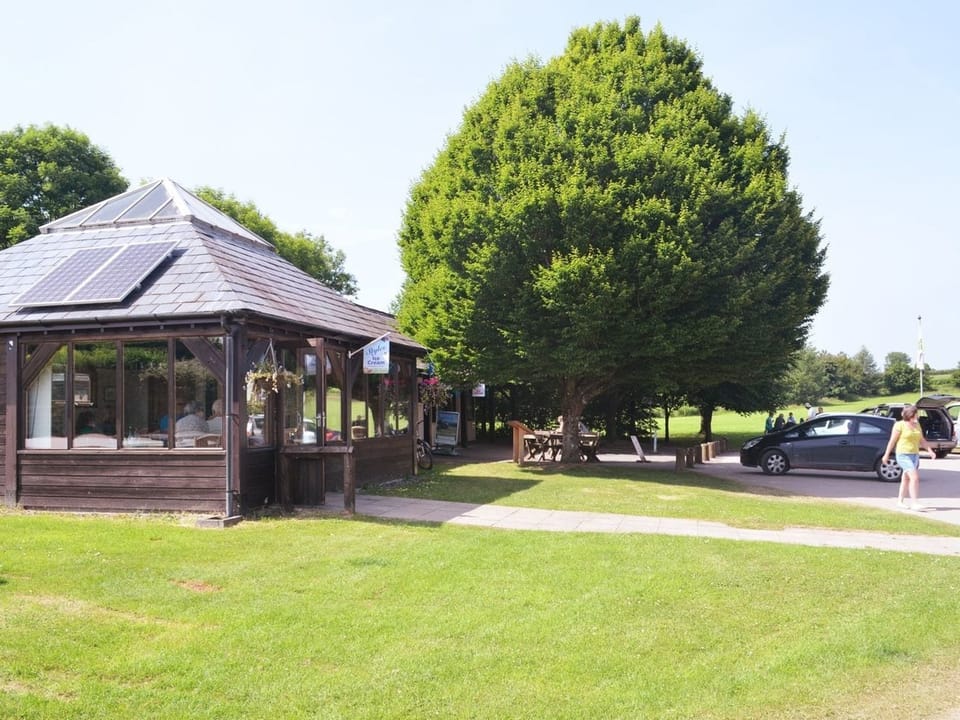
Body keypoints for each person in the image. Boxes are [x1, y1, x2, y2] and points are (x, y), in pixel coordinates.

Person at [882, 404, 937, 511]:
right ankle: (915, 503)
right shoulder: (899, 425)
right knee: (914, 477)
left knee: (906, 479)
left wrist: (930, 451)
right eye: (916, 413)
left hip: (915, 455)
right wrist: (886, 455)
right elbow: (892, 441)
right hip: (903, 454)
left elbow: (922, 440)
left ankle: (900, 501)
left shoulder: (917, 425)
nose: (917, 415)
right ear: (910, 414)